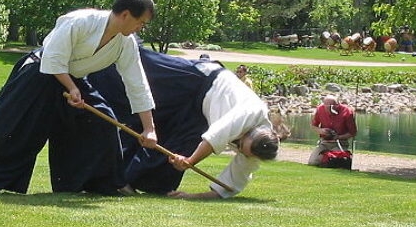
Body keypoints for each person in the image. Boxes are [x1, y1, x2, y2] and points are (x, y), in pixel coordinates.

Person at [0, 0, 158, 196]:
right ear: (126, 14)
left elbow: (136, 83)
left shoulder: (125, 44)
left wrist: (149, 129)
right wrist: (72, 88)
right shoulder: (81, 21)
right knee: (5, 125)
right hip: (39, 73)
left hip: (73, 80)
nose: (141, 28)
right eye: (141, 22)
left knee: (102, 121)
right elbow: (52, 58)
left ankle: (105, 183)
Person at [88, 49, 281, 199]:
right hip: (199, 79)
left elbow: (227, 189)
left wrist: (191, 196)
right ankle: (106, 52)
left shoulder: (255, 151)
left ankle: (126, 180)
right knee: (144, 69)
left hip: (199, 113)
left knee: (168, 158)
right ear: (254, 132)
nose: (238, 148)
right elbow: (216, 136)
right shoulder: (253, 111)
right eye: (240, 144)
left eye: (241, 151)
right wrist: (191, 161)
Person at [307, 95, 357, 166]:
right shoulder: (320, 109)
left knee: (337, 162)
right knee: (312, 163)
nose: (330, 108)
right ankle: (324, 159)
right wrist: (322, 131)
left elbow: (353, 133)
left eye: (333, 105)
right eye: (327, 106)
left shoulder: (347, 112)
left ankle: (343, 154)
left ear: (338, 104)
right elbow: (313, 126)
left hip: (340, 142)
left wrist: (338, 137)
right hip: (324, 142)